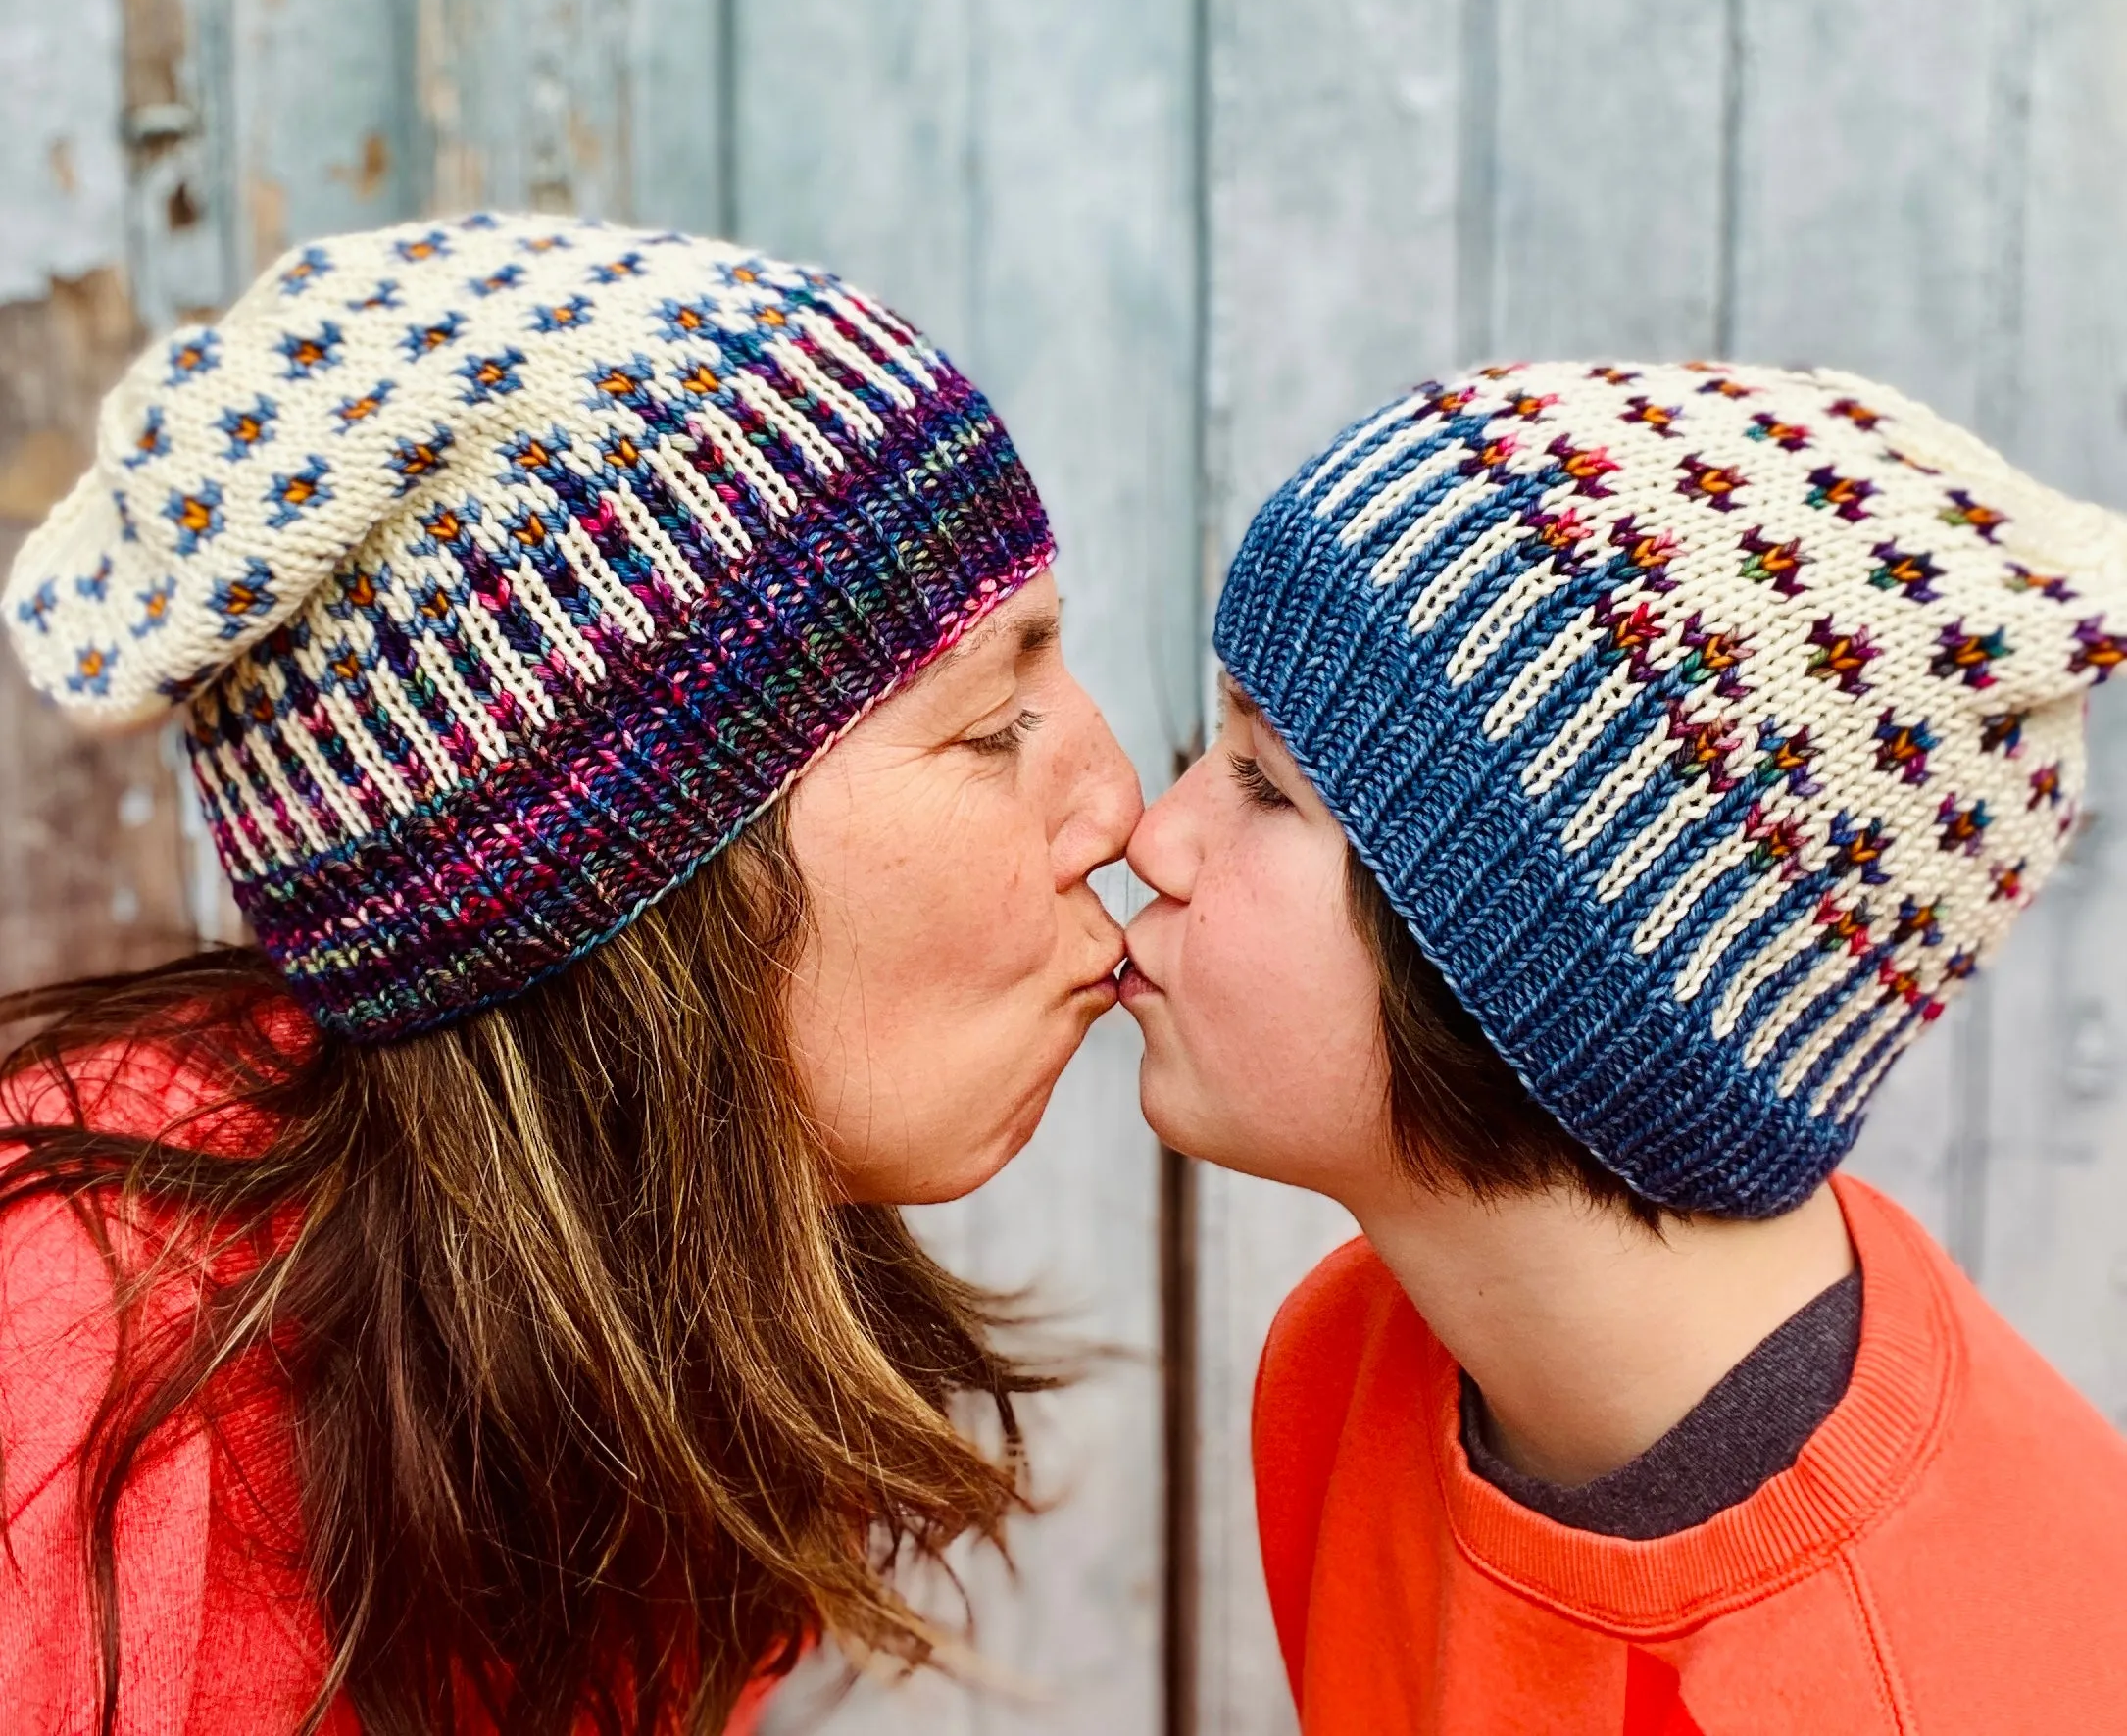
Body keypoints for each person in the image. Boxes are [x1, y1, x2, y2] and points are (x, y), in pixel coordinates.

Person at [0, 216, 1140, 1736]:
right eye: (993, 723)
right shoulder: (67, 1417)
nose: (1120, 800)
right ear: (624, 885)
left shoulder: (627, 1338)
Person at [1122, 360, 2127, 1732]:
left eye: (1259, 780)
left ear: (1542, 962)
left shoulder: (1925, 1685)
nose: (1151, 838)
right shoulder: (1350, 1370)